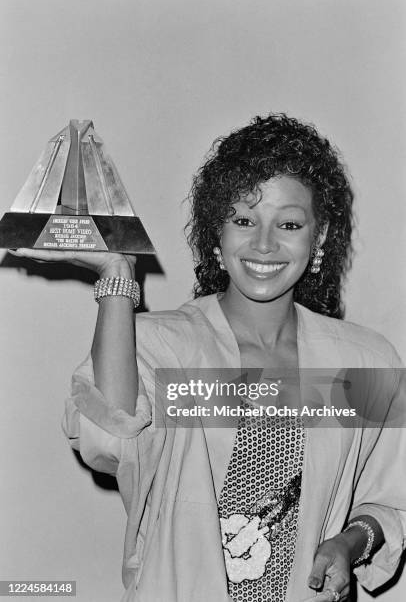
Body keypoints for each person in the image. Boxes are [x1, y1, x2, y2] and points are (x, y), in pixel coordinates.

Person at [10, 113, 405, 602]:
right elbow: (108, 440)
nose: (263, 243)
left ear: (318, 237)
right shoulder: (164, 346)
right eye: (243, 220)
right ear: (217, 232)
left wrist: (350, 542)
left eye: (288, 223)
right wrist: (117, 277)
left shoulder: (360, 361)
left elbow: (391, 501)